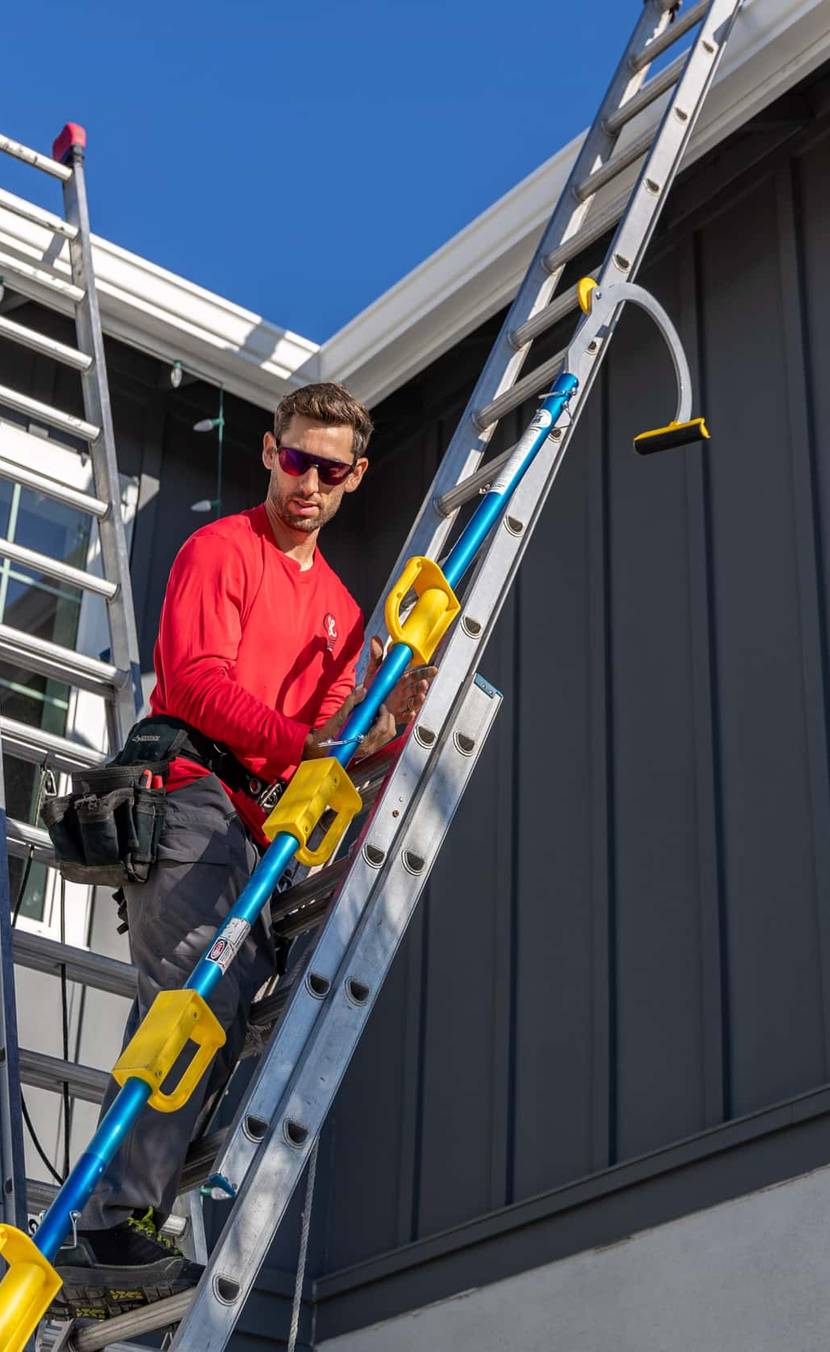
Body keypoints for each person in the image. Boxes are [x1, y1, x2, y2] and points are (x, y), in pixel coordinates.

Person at [52, 382, 434, 1321]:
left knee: (222, 1016)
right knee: (195, 1000)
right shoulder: (220, 550)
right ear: (269, 452)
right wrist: (303, 743)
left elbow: (333, 744)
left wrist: (389, 726)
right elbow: (196, 682)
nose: (308, 484)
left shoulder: (341, 612)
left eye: (329, 470)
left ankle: (130, 1214)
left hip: (252, 829)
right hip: (188, 797)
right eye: (295, 460)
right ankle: (109, 1225)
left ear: (355, 477)